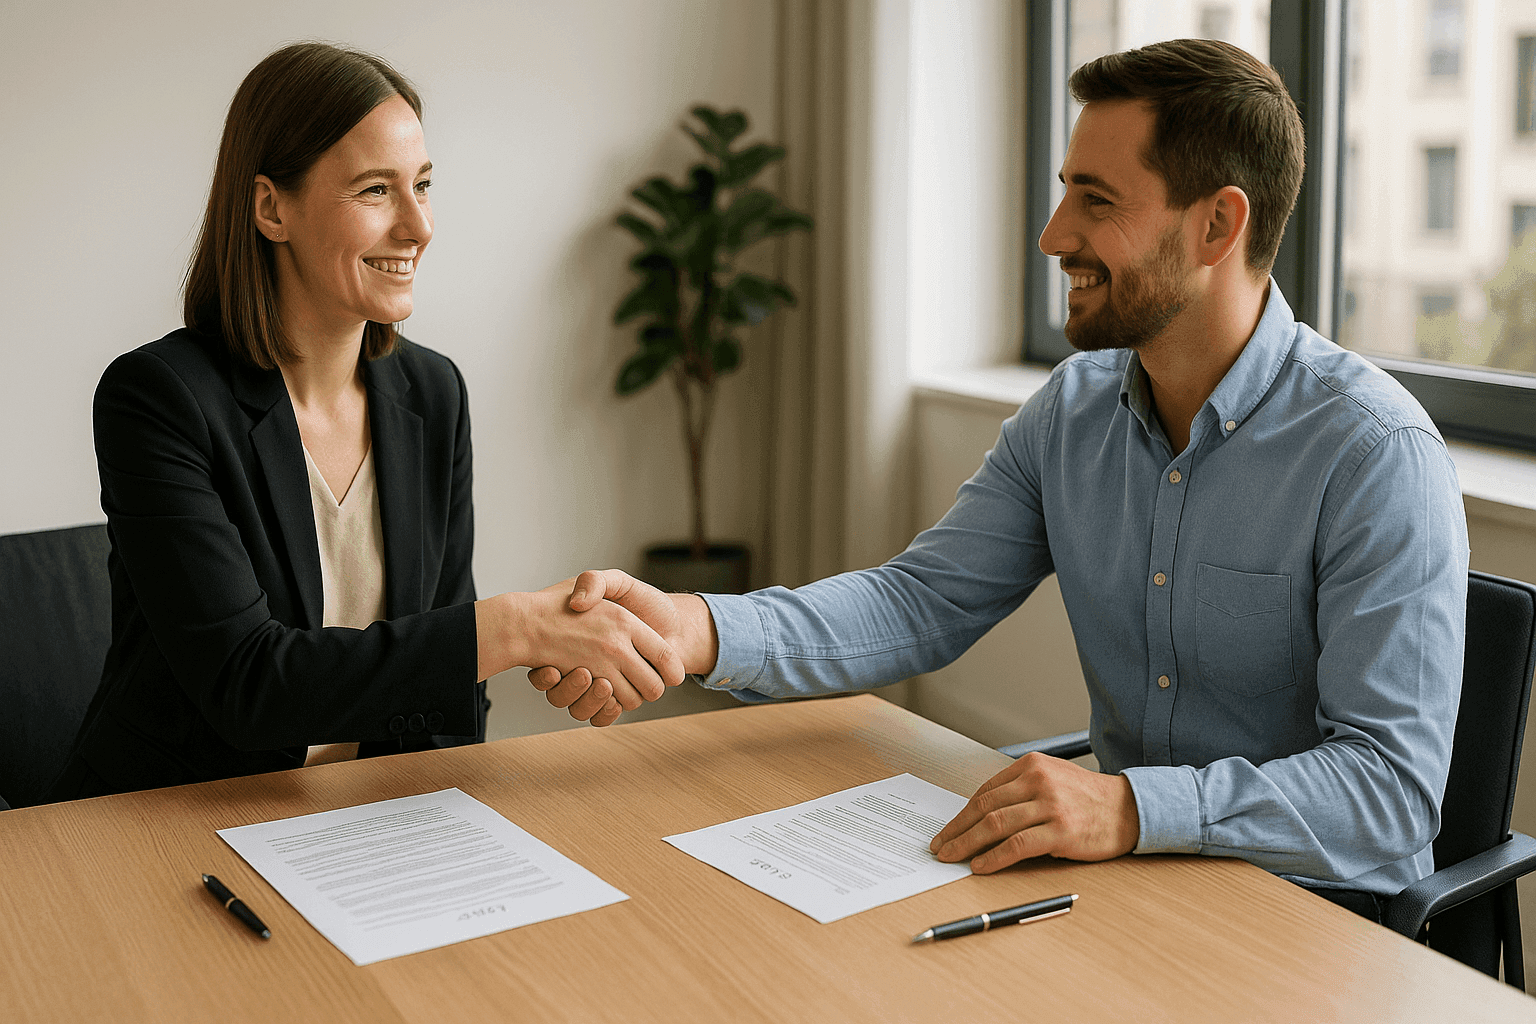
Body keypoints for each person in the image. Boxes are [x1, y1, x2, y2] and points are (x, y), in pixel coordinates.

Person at [535, 38, 1469, 918]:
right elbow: (919, 602)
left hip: (1319, 924)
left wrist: (1131, 810)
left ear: (1218, 223)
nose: (1053, 235)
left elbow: (1388, 794)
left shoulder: (1375, 455)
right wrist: (695, 628)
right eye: (1065, 192)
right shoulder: (1072, 412)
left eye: (1095, 201)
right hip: (1130, 895)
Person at [51, 42, 679, 800]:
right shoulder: (157, 398)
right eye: (376, 190)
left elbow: (451, 689)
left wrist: (446, 829)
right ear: (271, 208)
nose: (418, 226)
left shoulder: (432, 392)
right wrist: (513, 628)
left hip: (359, 819)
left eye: (423, 185)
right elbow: (250, 685)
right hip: (171, 820)